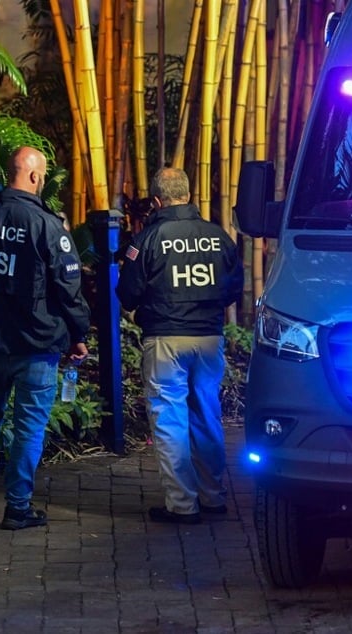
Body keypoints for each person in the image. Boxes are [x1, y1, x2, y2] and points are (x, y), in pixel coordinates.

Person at [0, 146, 91, 530]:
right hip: (36, 344)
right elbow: (68, 286)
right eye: (42, 176)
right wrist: (78, 333)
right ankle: (17, 507)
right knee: (29, 425)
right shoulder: (46, 225)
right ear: (33, 177)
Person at [116, 167, 242, 525]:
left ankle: (182, 505)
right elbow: (234, 287)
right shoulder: (218, 237)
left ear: (156, 201)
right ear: (188, 195)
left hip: (165, 338)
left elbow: (128, 293)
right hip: (208, 337)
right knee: (207, 413)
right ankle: (214, 497)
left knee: (170, 419)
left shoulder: (148, 239)